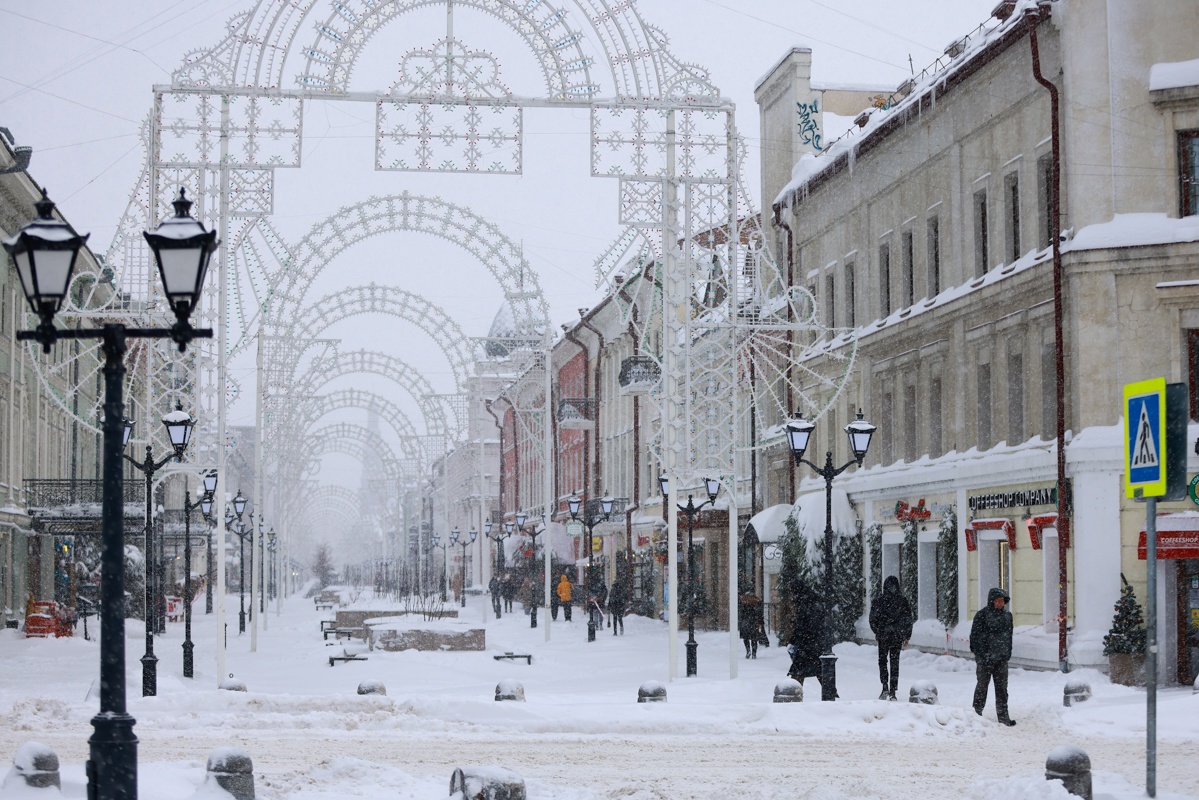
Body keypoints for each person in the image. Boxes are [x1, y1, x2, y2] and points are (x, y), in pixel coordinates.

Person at [970, 587, 1016, 726]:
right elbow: (975, 638)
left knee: (1002, 689)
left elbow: (1009, 637)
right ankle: (976, 714)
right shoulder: (981, 616)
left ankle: (1003, 717)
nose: (1000, 604)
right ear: (992, 601)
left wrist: (1006, 653)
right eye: (998, 601)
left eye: (1002, 601)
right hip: (985, 659)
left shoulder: (1007, 616)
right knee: (982, 687)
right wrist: (983, 655)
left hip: (1001, 659)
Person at [869, 575, 914, 700]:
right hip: (897, 636)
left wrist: (878, 631)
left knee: (882, 661)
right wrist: (906, 635)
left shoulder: (879, 601)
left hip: (884, 636)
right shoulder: (902, 601)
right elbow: (908, 619)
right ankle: (893, 690)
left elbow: (873, 619)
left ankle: (885, 687)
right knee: (895, 662)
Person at [787, 580, 827, 687]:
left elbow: (802, 625)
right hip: (814, 642)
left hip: (807, 643)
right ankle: (830, 690)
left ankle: (794, 694)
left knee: (798, 671)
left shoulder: (803, 604)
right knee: (817, 669)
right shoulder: (812, 601)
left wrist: (794, 640)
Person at [738, 593, 763, 659]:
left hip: (745, 623)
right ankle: (754, 653)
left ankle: (748, 651)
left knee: (746, 639)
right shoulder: (756, 604)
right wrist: (760, 622)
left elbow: (741, 614)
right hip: (754, 623)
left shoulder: (744, 604)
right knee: (754, 639)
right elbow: (759, 614)